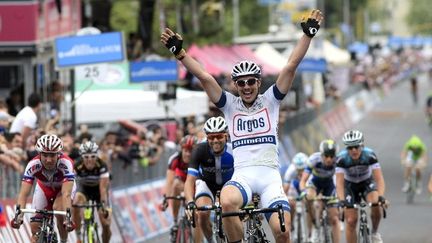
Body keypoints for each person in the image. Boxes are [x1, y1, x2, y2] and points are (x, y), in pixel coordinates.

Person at [161, 9, 323, 243]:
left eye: (250, 82)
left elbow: (290, 66)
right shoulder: (229, 105)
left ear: (258, 82)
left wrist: (307, 36)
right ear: (235, 85)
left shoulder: (271, 100)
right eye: (241, 83)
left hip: (269, 178)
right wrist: (181, 53)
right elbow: (206, 78)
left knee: (283, 232)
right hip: (243, 175)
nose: (246, 87)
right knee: (226, 202)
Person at [10, 134, 76, 243]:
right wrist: (19, 216)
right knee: (35, 230)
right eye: (45, 155)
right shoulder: (32, 165)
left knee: (59, 209)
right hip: (44, 188)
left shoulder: (66, 163)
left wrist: (67, 218)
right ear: (39, 153)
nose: (48, 160)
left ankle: (64, 240)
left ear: (58, 154)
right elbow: (23, 194)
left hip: (62, 190)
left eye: (52, 155)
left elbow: (66, 194)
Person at [184, 116, 234, 243]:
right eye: (211, 137)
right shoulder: (199, 149)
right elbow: (190, 180)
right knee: (202, 213)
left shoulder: (234, 150)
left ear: (226, 136)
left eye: (219, 136)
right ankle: (211, 240)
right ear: (207, 138)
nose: (215, 140)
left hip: (228, 184)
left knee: (232, 213)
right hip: (206, 183)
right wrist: (190, 202)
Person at [335, 130, 386, 243]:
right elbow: (339, 182)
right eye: (350, 147)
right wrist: (342, 200)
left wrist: (381, 196)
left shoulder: (370, 155)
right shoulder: (341, 158)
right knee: (351, 220)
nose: (354, 150)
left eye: (356, 147)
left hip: (366, 183)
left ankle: (374, 233)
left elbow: (379, 178)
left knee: (375, 203)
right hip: (350, 186)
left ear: (362, 145)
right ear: (346, 148)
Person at [300, 139, 340, 243]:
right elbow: (303, 180)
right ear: (321, 154)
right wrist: (304, 191)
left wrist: (340, 196)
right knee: (309, 198)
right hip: (315, 184)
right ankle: (313, 228)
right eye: (326, 156)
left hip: (329, 185)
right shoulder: (314, 159)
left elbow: (340, 181)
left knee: (335, 218)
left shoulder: (339, 161)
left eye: (332, 156)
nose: (329, 159)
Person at [72, 141, 111, 243]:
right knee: (75, 203)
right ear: (82, 157)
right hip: (84, 189)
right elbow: (71, 185)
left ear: (97, 156)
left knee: (106, 223)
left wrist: (103, 205)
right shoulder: (77, 165)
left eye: (93, 157)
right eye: (86, 157)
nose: (90, 160)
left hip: (99, 190)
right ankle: (79, 235)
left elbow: (103, 189)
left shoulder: (102, 165)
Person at [161, 135, 198, 240]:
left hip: (196, 183)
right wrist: (166, 199)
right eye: (185, 150)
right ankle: (175, 221)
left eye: (191, 151)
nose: (188, 154)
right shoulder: (174, 159)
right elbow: (169, 181)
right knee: (176, 185)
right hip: (182, 182)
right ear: (181, 149)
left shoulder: (199, 158)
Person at [282, 152, 307, 236]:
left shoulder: (309, 169)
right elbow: (285, 189)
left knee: (311, 202)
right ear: (295, 167)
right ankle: (291, 222)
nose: (300, 172)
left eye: (302, 169)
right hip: (294, 186)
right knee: (291, 204)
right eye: (298, 170)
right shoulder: (290, 171)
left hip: (305, 185)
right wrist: (284, 198)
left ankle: (313, 228)